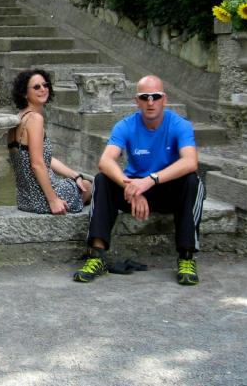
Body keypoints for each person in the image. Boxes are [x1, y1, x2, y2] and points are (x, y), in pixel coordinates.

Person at [73, 75, 205, 286]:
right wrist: (132, 187)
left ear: (164, 99)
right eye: (144, 97)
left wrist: (150, 180)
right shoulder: (125, 125)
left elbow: (190, 162)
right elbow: (105, 161)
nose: (150, 102)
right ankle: (96, 255)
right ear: (137, 101)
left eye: (155, 96)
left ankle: (186, 256)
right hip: (133, 190)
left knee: (192, 181)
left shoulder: (180, 125)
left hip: (165, 189)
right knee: (102, 180)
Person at [8, 69, 92, 214]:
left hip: (24, 199)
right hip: (42, 199)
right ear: (24, 93)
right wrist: (53, 200)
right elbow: (37, 164)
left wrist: (74, 174)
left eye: (45, 85)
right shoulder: (35, 119)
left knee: (81, 182)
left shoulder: (19, 117)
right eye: (36, 87)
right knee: (89, 186)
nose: (43, 89)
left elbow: (41, 157)